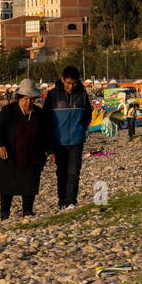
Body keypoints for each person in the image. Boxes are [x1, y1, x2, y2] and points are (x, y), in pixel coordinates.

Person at [0, 78, 55, 220]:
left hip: (32, 155)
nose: (28, 102)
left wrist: (50, 151)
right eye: (25, 99)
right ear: (19, 98)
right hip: (9, 155)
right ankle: (4, 214)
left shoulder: (38, 113)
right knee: (7, 185)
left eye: (32, 99)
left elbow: (46, 134)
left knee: (30, 183)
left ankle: (27, 212)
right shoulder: (8, 111)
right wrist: (1, 145)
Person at [40, 66, 92, 211]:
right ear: (62, 80)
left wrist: (82, 127)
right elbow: (46, 121)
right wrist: (49, 148)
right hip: (58, 141)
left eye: (73, 83)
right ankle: (62, 201)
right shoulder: (52, 95)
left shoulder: (82, 94)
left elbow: (88, 113)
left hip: (77, 140)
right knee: (62, 173)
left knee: (74, 173)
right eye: (68, 83)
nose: (71, 86)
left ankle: (71, 202)